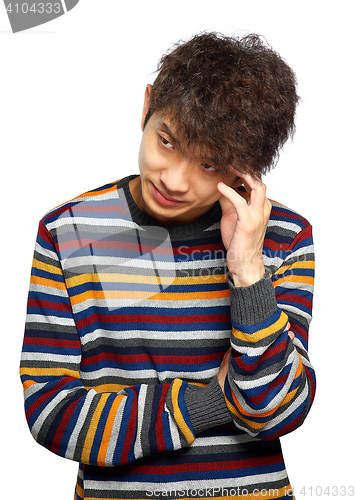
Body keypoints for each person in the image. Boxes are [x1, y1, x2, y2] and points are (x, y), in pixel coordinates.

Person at [20, 32, 316, 500]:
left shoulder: (281, 236)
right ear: (147, 106)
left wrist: (246, 270)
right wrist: (210, 402)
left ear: (246, 168)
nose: (175, 180)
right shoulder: (70, 232)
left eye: (211, 165)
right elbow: (50, 412)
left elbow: (278, 411)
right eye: (167, 141)